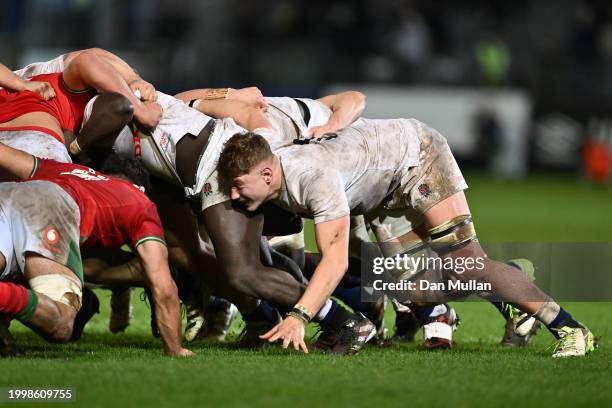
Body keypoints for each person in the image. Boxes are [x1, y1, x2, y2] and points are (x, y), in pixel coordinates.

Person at [216, 117, 596, 358]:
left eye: (236, 186)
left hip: (417, 159)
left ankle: (570, 328)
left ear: (266, 176)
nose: (232, 195)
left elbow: (335, 260)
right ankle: (503, 286)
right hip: (380, 186)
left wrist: (300, 316)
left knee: (467, 266)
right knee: (396, 279)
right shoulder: (268, 157)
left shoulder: (313, 179)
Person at [0, 143, 193, 357]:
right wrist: (175, 348)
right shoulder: (141, 202)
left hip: (6, 192)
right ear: (140, 188)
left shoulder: (68, 169)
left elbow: (6, 154)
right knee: (60, 324)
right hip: (49, 204)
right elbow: (164, 288)